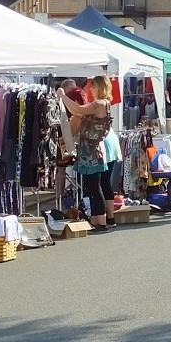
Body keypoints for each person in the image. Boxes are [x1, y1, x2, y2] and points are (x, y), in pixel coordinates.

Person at [58, 75, 113, 230]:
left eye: (93, 87)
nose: (91, 90)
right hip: (89, 150)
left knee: (95, 188)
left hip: (91, 152)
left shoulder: (100, 104)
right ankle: (96, 220)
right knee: (91, 187)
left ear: (99, 87)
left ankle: (101, 221)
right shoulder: (102, 104)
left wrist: (62, 96)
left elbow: (77, 110)